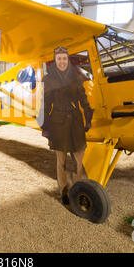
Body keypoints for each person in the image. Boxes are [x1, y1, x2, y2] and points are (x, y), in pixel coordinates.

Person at [40, 46, 94, 204]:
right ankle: (63, 190)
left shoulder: (76, 77)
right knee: (61, 161)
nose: (62, 62)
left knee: (79, 160)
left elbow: (83, 98)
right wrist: (46, 127)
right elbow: (45, 104)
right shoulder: (48, 80)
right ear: (55, 61)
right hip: (58, 123)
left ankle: (79, 189)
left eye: (64, 59)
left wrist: (88, 116)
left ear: (67, 60)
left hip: (76, 121)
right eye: (59, 59)